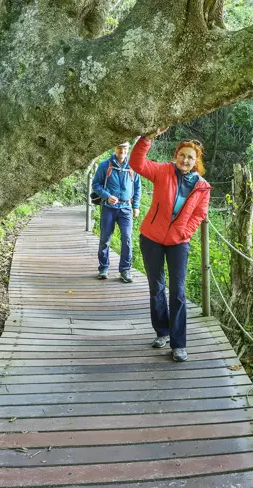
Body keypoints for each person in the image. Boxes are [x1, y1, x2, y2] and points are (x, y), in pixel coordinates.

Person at [129, 130, 211, 362]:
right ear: (176, 155)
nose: (185, 160)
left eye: (190, 158)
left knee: (178, 292)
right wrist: (146, 139)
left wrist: (183, 232)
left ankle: (178, 344)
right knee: (156, 288)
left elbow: (199, 215)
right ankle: (162, 332)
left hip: (179, 243)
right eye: (182, 155)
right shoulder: (162, 171)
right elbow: (137, 163)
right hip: (152, 237)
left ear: (196, 162)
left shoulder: (202, 187)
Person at [92, 141, 141, 282]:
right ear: (115, 148)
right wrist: (107, 196)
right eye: (119, 147)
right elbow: (95, 184)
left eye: (125, 148)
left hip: (125, 208)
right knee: (105, 239)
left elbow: (137, 188)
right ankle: (103, 268)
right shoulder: (105, 165)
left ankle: (125, 270)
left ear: (128, 149)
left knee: (127, 238)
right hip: (108, 208)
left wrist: (135, 206)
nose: (122, 150)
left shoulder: (132, 167)